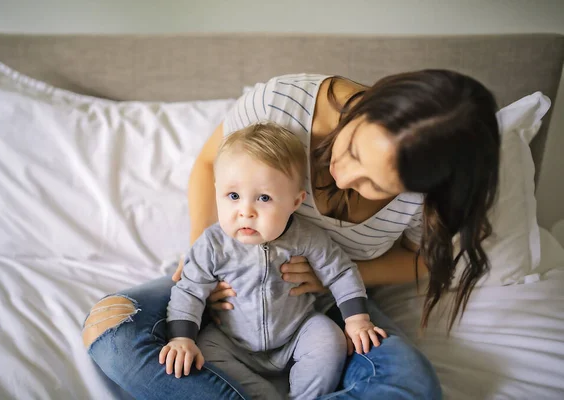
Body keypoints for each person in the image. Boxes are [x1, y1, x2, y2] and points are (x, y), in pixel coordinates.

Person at [82, 70, 500, 400]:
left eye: (375, 184)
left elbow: (422, 258)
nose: (345, 175)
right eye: (353, 149)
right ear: (366, 106)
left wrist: (334, 279)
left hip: (320, 304)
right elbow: (212, 163)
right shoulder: (282, 106)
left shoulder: (429, 196)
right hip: (228, 285)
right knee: (112, 334)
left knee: (411, 385)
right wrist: (201, 256)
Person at [162, 123, 386, 399]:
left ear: (295, 201)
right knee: (205, 350)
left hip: (296, 332)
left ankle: (305, 395)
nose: (246, 211)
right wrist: (181, 338)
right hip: (232, 341)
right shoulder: (212, 244)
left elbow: (340, 273)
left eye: (264, 198)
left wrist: (357, 320)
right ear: (217, 190)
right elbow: (189, 290)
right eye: (233, 196)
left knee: (330, 338)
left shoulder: (306, 237)